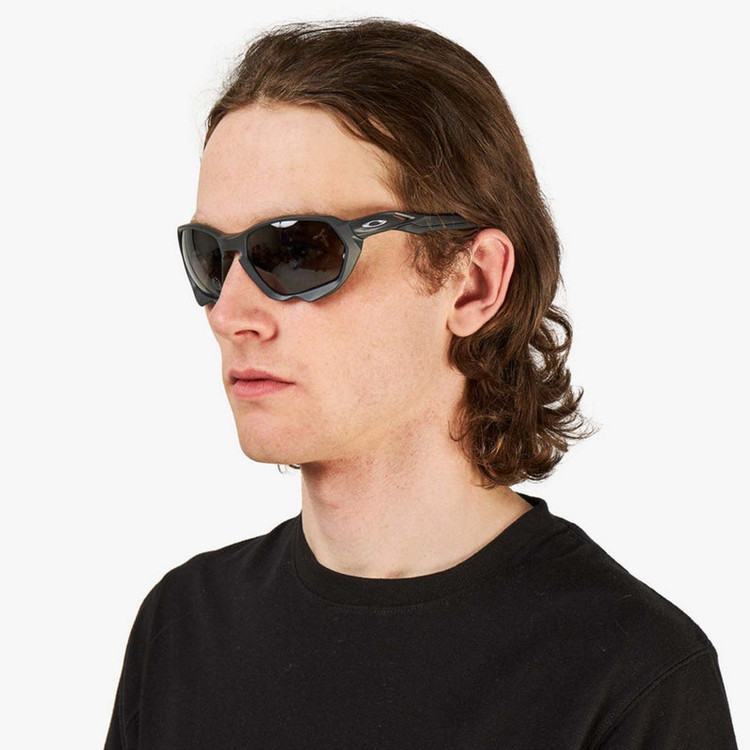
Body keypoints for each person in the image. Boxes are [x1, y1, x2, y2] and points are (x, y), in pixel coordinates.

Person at [104, 19, 737, 749]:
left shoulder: (632, 676)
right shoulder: (183, 627)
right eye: (212, 257)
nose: (229, 313)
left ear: (474, 284)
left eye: (299, 251)